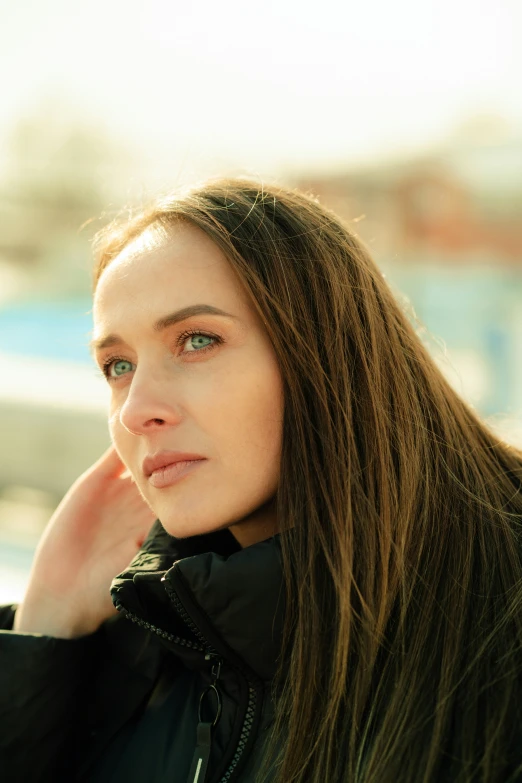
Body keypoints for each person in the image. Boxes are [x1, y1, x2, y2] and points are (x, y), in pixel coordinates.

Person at [1, 177, 522, 783]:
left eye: (197, 341)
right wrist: (46, 628)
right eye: (118, 366)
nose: (137, 407)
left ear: (327, 350)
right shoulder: (142, 634)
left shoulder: (495, 628)